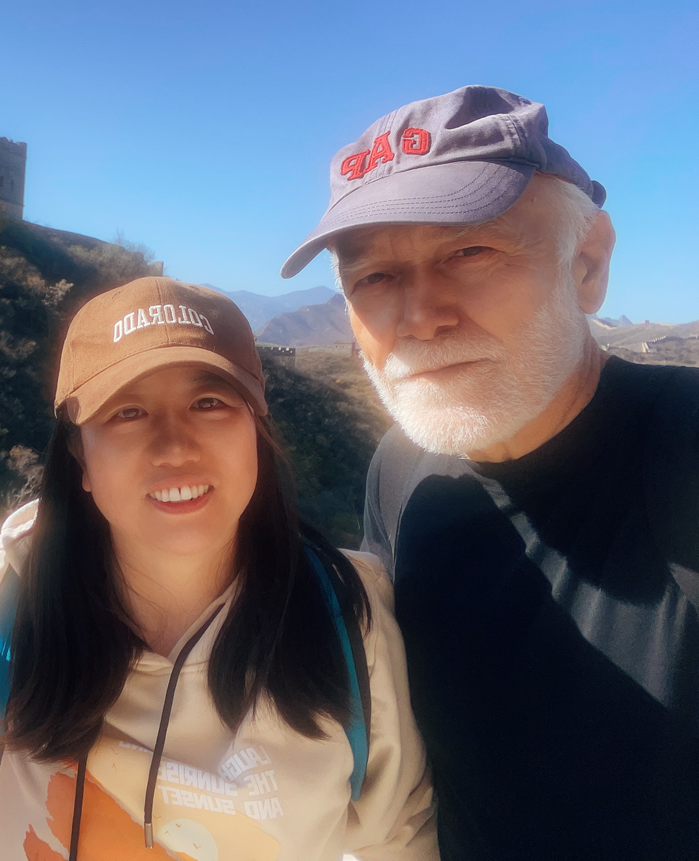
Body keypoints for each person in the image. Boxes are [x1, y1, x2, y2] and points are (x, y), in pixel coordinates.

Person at [281, 85, 699, 859]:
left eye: (470, 252)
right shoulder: (403, 472)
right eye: (373, 277)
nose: (420, 315)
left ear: (587, 262)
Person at [0, 277, 436, 860]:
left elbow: (403, 837)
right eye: (128, 412)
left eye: (209, 403)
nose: (174, 447)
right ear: (80, 458)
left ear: (257, 429)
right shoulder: (9, 591)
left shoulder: (349, 620)